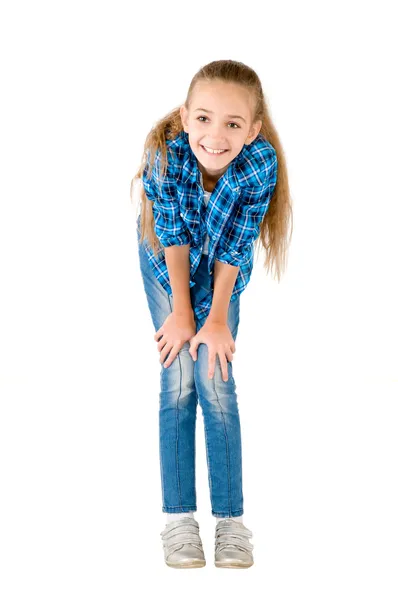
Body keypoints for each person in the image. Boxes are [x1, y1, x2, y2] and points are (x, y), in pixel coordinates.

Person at [130, 59, 293, 568]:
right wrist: (182, 311)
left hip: (223, 263)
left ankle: (230, 522)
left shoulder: (259, 165)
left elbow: (236, 247)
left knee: (215, 381)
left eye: (232, 124)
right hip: (167, 255)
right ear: (184, 116)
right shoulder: (165, 156)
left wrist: (217, 317)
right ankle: (179, 520)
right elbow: (173, 237)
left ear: (254, 129)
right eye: (203, 119)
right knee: (179, 380)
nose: (215, 136)